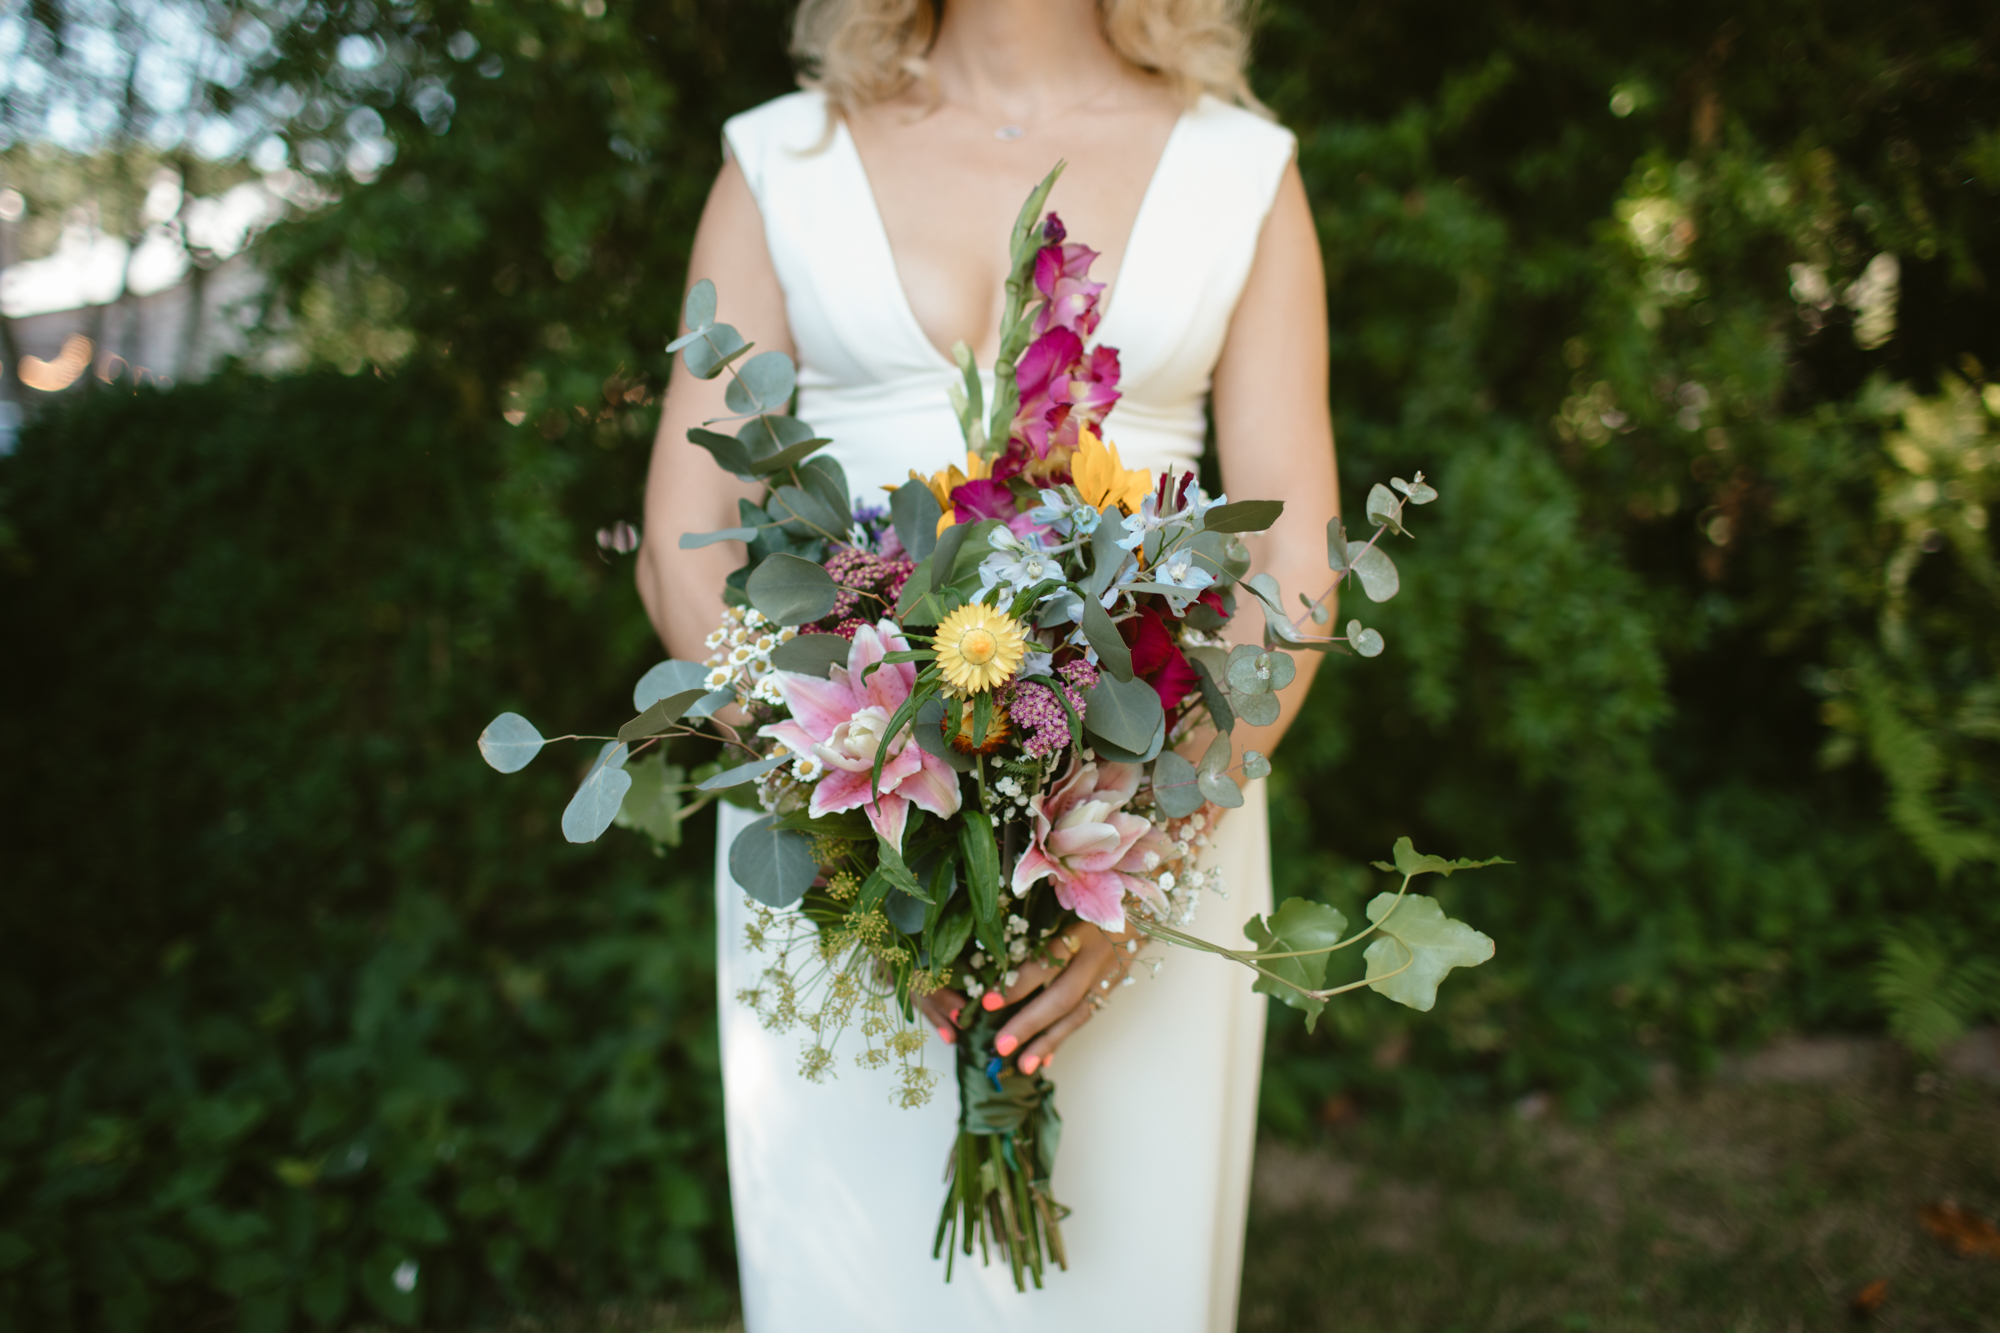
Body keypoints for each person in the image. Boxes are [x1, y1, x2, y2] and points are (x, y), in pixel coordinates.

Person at [636, 0, 1338, 1327]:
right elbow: (684, 546)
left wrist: (1150, 849)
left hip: (1146, 840)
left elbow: (1296, 550)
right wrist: (845, 843)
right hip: (844, 825)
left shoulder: (1242, 169)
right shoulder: (779, 160)